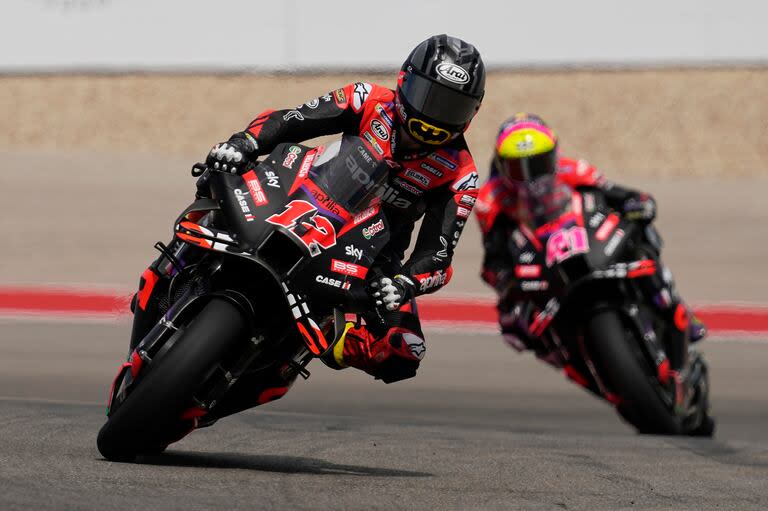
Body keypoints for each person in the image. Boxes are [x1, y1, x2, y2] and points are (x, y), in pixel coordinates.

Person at [134, 34, 485, 385]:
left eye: (451, 107)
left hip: (374, 252)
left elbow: (437, 253)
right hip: (308, 192)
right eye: (429, 97)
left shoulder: (461, 174)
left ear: (472, 113)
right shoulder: (366, 99)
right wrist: (244, 143)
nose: (434, 117)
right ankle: (176, 263)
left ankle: (329, 337)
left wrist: (405, 283)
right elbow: (292, 120)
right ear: (405, 82)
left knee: (405, 350)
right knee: (220, 173)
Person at [475, 113, 706, 366]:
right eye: (518, 169)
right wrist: (505, 278)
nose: (531, 177)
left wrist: (636, 203)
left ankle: (668, 298)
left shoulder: (571, 168)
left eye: (539, 163)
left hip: (585, 235)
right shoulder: (490, 199)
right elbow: (494, 253)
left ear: (554, 155)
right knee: (512, 324)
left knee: (641, 230)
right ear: (501, 166)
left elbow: (615, 193)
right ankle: (563, 353)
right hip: (537, 255)